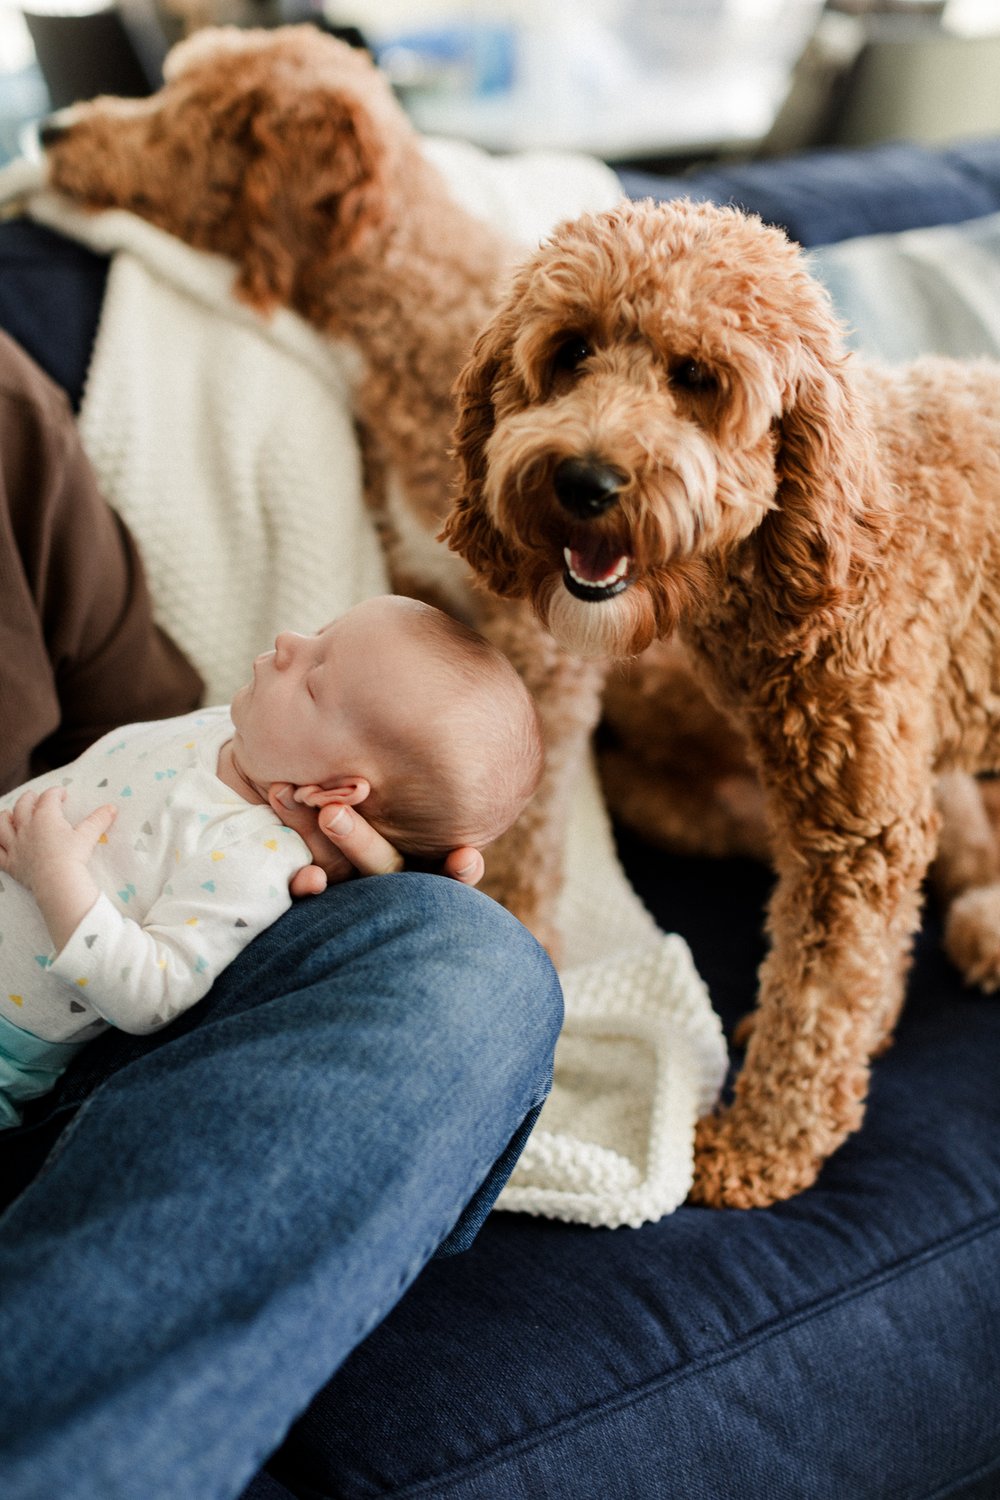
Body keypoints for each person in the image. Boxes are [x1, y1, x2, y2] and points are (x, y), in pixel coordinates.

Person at [0, 332, 562, 1498]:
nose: (281, 646)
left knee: (466, 960)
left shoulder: (5, 415)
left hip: (76, 1030)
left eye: (315, 661)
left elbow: (165, 739)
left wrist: (337, 860)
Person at [0, 592, 544, 1125]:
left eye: (313, 681)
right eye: (321, 632)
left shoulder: (252, 859)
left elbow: (152, 995)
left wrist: (56, 877)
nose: (288, 643)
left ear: (338, 791)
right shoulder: (230, 732)